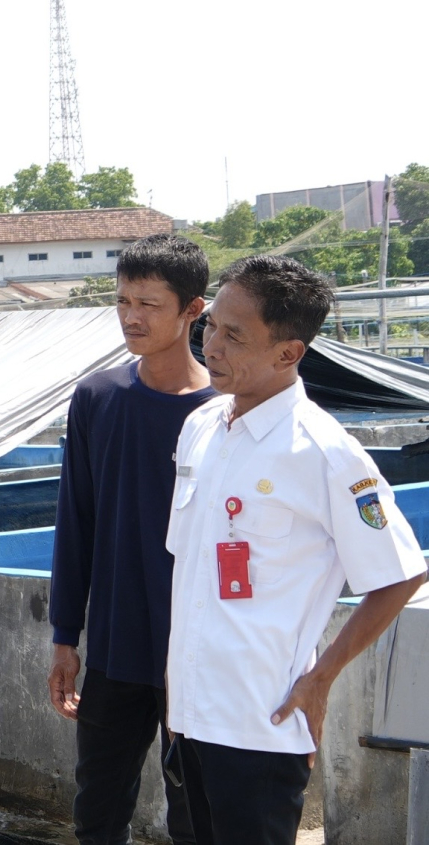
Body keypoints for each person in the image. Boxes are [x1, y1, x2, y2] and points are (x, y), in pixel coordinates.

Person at [166, 255, 428, 845]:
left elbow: (400, 573)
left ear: (288, 353)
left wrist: (321, 679)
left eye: (235, 336)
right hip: (187, 716)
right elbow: (189, 571)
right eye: (211, 325)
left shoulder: (324, 451)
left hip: (261, 723)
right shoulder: (201, 427)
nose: (212, 346)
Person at [48, 233, 213, 845]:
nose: (131, 317)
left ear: (193, 309)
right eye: (122, 301)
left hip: (197, 653)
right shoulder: (97, 397)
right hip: (115, 648)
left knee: (194, 817)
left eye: (148, 304)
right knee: (97, 812)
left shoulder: (226, 409)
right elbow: (76, 522)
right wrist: (65, 637)